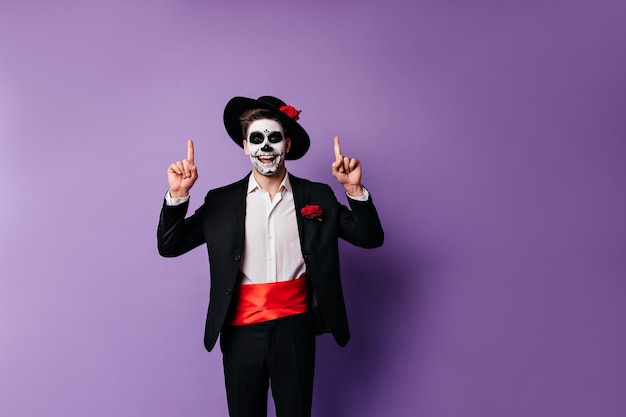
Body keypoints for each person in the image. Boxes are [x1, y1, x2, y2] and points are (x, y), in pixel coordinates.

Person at [157, 95, 384, 417]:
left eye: (274, 138)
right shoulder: (221, 201)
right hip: (239, 329)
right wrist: (178, 195)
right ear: (245, 146)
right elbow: (170, 246)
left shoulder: (317, 195)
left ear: (287, 144)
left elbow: (370, 238)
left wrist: (354, 191)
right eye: (257, 139)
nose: (265, 147)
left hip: (297, 328)